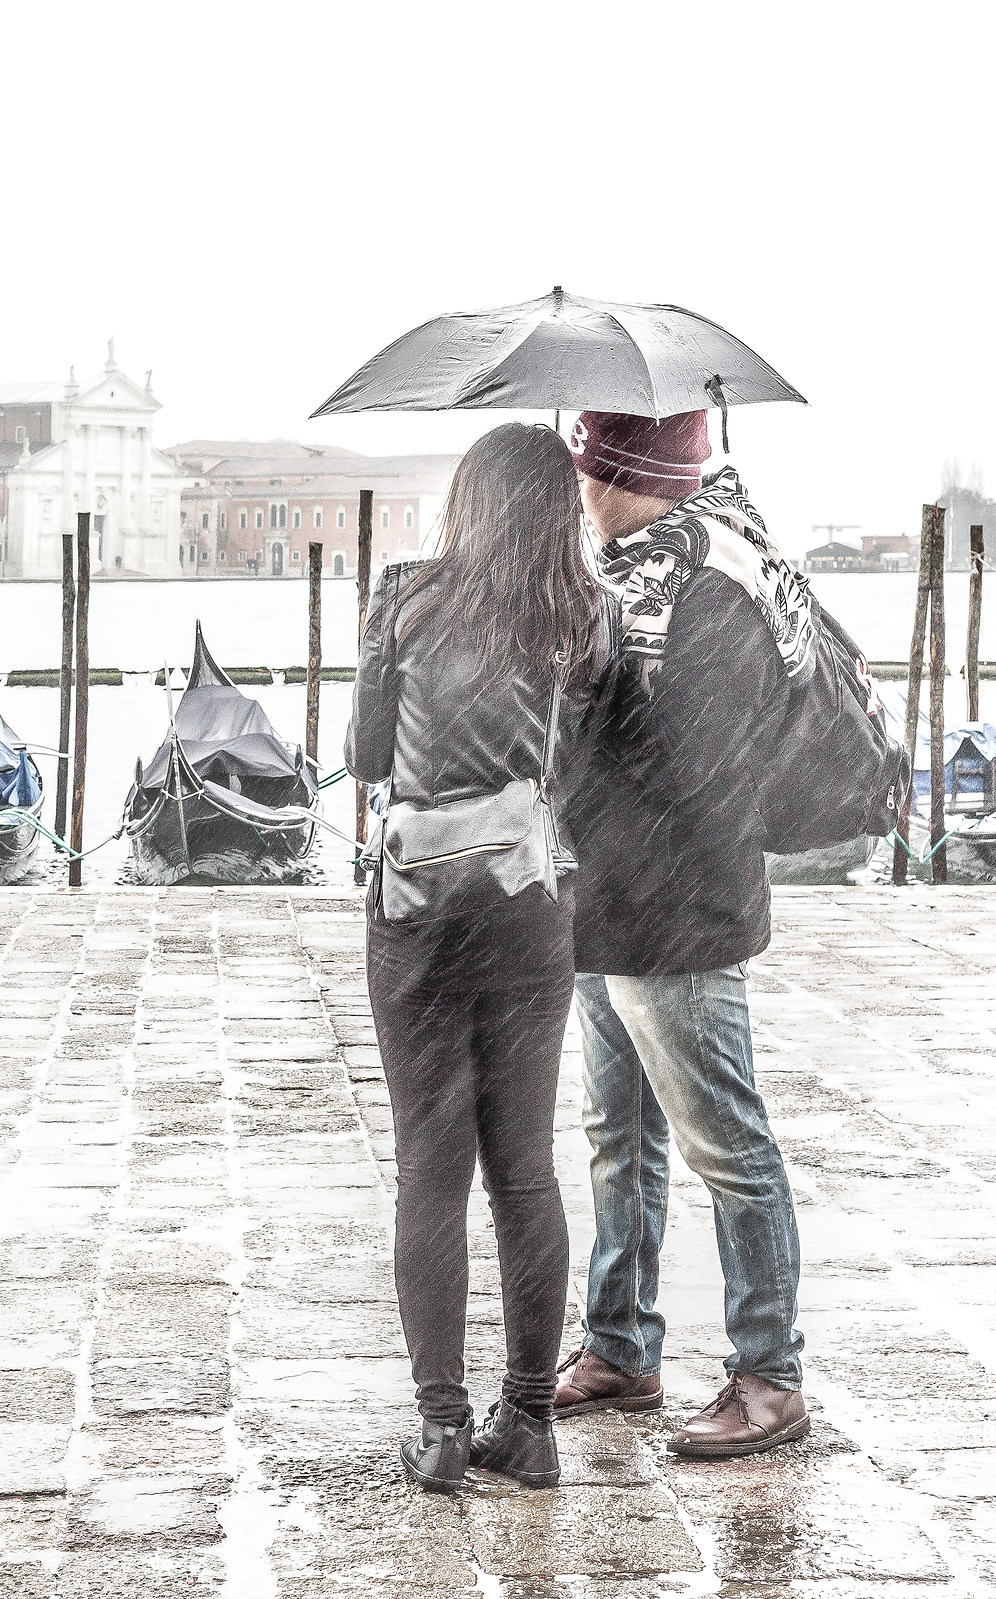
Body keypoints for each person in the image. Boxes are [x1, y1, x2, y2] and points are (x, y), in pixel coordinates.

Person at [347, 422, 613, 1493]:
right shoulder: (584, 614)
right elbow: (583, 768)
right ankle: (532, 1425)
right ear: (557, 509)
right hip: (528, 903)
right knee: (523, 1166)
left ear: (465, 500)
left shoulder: (405, 597)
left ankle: (444, 1426)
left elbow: (367, 755)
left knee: (429, 1163)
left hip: (416, 905)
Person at [555, 408, 811, 1459]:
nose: (577, 487)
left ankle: (770, 1375)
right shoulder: (627, 575)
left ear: (622, 473)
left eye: (587, 468)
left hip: (678, 910)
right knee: (617, 1141)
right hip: (605, 905)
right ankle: (620, 1346)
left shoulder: (705, 583)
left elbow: (699, 771)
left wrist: (575, 718)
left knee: (729, 1148)